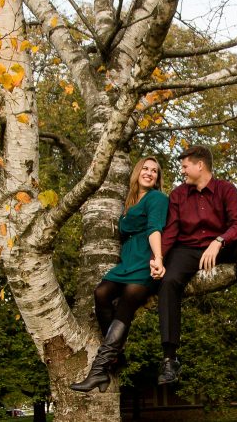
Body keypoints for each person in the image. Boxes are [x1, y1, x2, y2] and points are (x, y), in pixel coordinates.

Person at [151, 145, 237, 386]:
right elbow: (172, 231)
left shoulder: (226, 189)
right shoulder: (177, 195)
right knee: (168, 281)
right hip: (187, 249)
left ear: (200, 165)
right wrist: (159, 259)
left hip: (220, 246)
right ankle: (170, 358)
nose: (182, 171)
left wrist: (219, 241)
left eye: (185, 166)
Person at [70, 157, 169, 393]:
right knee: (101, 293)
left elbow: (155, 228)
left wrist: (158, 258)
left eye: (154, 171)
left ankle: (98, 370)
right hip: (127, 262)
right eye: (145, 168)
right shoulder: (130, 202)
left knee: (127, 301)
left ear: (158, 178)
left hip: (145, 259)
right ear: (137, 172)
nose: (149, 173)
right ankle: (116, 357)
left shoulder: (157, 198)